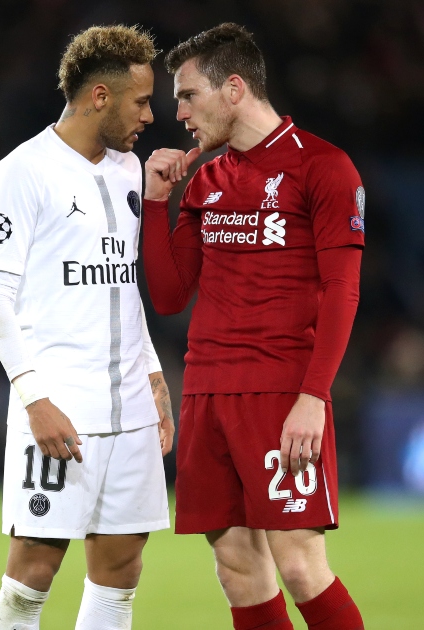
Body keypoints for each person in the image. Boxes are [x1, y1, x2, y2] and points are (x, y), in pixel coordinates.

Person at [141, 23, 366, 630]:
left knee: (300, 565)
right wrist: (157, 203)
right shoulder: (206, 183)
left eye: (188, 96)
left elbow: (344, 289)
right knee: (237, 567)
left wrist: (312, 398)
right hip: (209, 392)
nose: (179, 112)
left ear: (233, 88)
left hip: (279, 392)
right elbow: (167, 296)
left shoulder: (323, 167)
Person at [0, 25, 174, 630]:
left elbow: (123, 285)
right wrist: (35, 400)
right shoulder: (23, 172)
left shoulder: (128, 170)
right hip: (60, 403)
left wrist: (154, 373)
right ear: (99, 97)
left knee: (121, 568)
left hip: (131, 405)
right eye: (140, 101)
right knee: (31, 573)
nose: (150, 114)